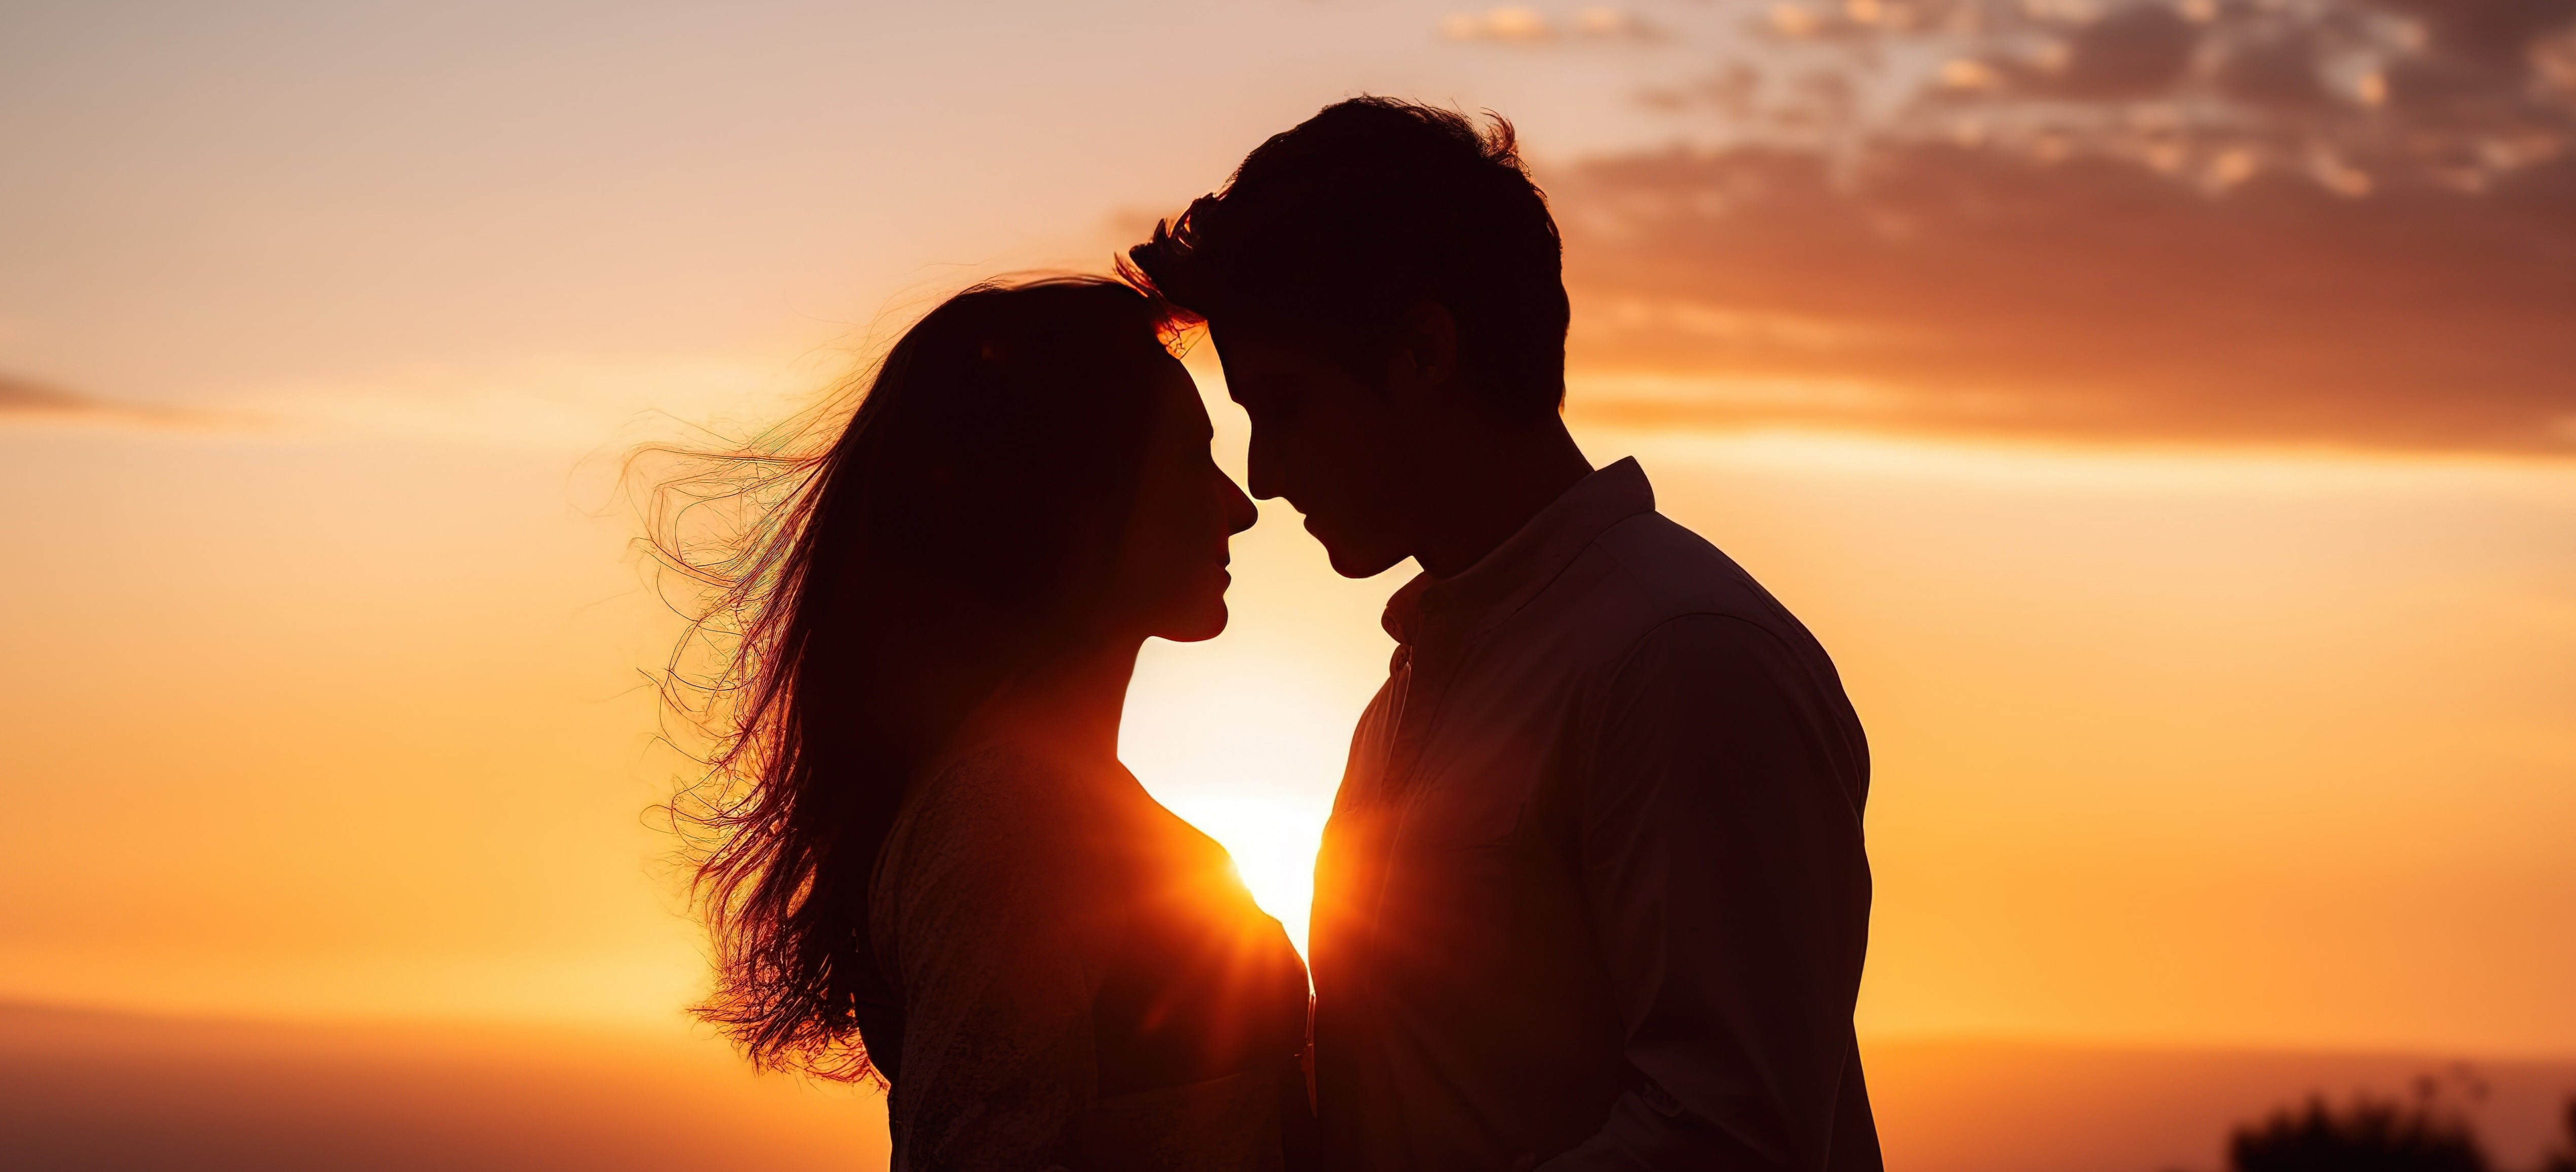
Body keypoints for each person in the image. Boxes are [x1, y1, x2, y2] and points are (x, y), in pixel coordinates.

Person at [1129, 99, 1885, 1172]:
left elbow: (1731, 1135)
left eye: (1284, 407)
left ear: (1426, 354)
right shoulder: (1413, 698)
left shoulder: (1679, 658)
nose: (1264, 474)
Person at [652, 278, 1314, 1171]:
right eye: (1193, 458)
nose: (1238, 505)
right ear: (1077, 490)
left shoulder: (1042, 796)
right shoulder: (1007, 810)